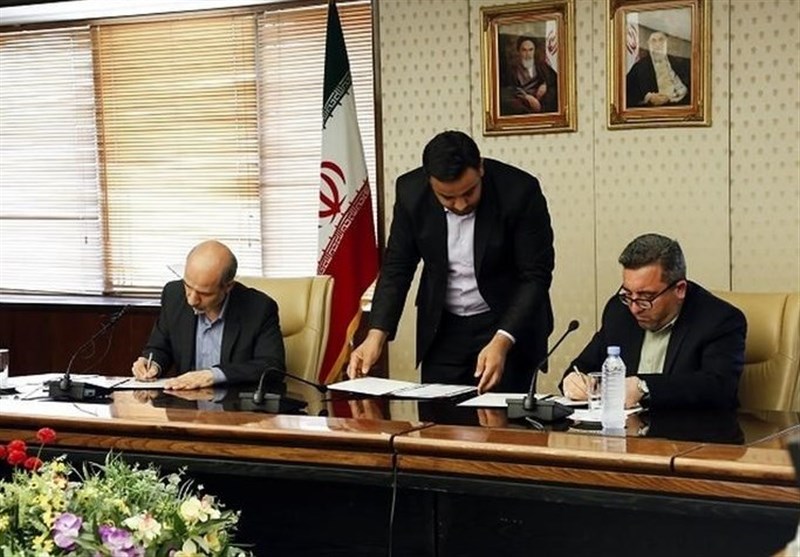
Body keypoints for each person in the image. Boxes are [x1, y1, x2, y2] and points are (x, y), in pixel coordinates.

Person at [347, 130, 555, 394]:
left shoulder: (519, 191)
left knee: (503, 415)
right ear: (429, 182)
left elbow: (535, 275)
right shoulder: (411, 193)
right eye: (447, 198)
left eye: (469, 193)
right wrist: (376, 335)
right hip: (443, 328)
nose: (460, 204)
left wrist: (503, 339)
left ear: (480, 168)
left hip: (506, 322)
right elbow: (397, 267)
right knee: (438, 414)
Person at [562, 233, 746, 410]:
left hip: (689, 429)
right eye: (628, 294)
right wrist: (573, 381)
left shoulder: (719, 320)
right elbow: (583, 366)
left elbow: (719, 388)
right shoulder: (619, 311)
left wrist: (644, 387)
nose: (635, 308)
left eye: (646, 296)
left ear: (680, 289)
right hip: (626, 428)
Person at [131, 240, 286, 390]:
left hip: (233, 403)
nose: (192, 300)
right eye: (188, 286)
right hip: (186, 402)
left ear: (228, 287)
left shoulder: (259, 308)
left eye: (204, 293)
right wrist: (152, 364)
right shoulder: (173, 295)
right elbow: (160, 347)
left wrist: (214, 375)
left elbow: (272, 367)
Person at [626, 31, 691, 107]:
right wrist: (648, 98)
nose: (658, 45)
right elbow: (626, 95)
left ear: (666, 42)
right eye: (653, 41)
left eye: (661, 40)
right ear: (648, 44)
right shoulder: (639, 68)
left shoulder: (680, 63)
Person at [500, 36, 559, 115]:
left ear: (534, 51)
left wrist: (545, 85)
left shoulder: (542, 66)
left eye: (531, 50)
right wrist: (526, 97)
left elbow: (553, 80)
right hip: (522, 102)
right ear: (519, 51)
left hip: (541, 100)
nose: (528, 54)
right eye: (524, 50)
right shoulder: (511, 70)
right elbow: (509, 89)